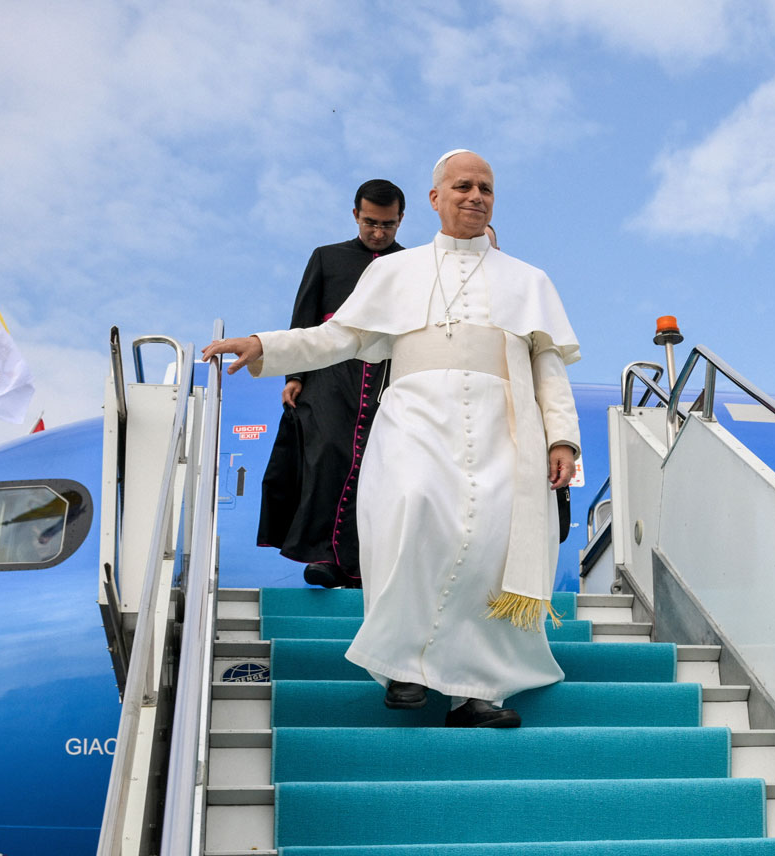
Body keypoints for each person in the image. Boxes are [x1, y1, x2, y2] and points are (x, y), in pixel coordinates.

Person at [206, 150, 580, 729]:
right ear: (435, 198)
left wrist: (564, 441)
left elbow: (549, 368)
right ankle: (404, 665)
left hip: (505, 423)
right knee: (412, 512)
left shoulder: (528, 280)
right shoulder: (392, 272)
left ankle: (476, 691)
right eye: (462, 186)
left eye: (485, 187)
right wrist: (266, 346)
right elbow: (338, 338)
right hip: (415, 418)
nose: (475, 196)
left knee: (489, 543)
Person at [256, 179, 407, 588]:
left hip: (386, 376)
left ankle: (362, 566)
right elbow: (304, 319)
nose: (378, 233)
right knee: (325, 459)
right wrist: (294, 376)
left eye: (388, 225)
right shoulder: (326, 257)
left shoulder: (411, 265)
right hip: (329, 373)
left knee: (377, 466)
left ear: (401, 220)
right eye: (371, 223)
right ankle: (324, 557)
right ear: (356, 215)